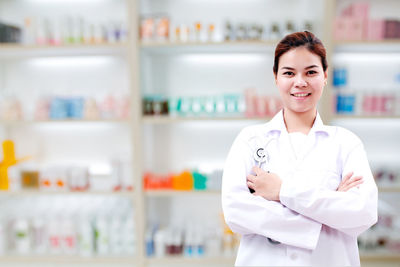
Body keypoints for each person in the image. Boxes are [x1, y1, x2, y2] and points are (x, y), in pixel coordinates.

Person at [221, 31, 378, 266]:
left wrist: (282, 192)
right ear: (276, 77)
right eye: (289, 73)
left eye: (311, 72)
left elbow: (362, 211)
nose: (300, 82)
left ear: (325, 76)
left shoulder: (346, 143)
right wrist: (326, 211)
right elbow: (236, 212)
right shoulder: (250, 140)